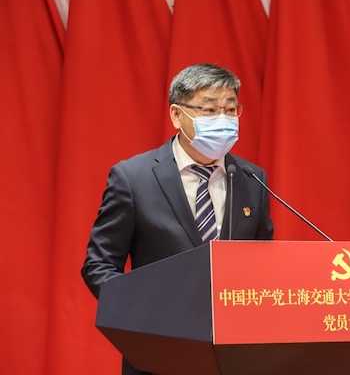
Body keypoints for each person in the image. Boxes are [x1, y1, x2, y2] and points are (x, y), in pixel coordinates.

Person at [81, 63, 274, 375]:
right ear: (176, 115)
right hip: (159, 355)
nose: (223, 119)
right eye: (209, 110)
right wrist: (138, 318)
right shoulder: (134, 178)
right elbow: (99, 264)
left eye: (230, 110)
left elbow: (263, 263)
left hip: (235, 356)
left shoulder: (252, 178)